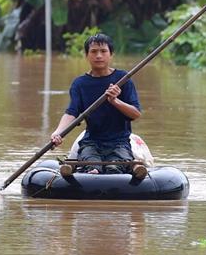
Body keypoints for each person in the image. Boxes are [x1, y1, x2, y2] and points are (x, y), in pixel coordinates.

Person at [50, 33, 148, 179]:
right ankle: (92, 172)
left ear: (111, 54)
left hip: (120, 142)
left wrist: (115, 101)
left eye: (103, 51)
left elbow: (135, 114)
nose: (99, 56)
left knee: (114, 168)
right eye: (94, 52)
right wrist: (58, 133)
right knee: (92, 168)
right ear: (86, 55)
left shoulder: (123, 79)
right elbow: (72, 112)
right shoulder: (80, 84)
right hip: (91, 142)